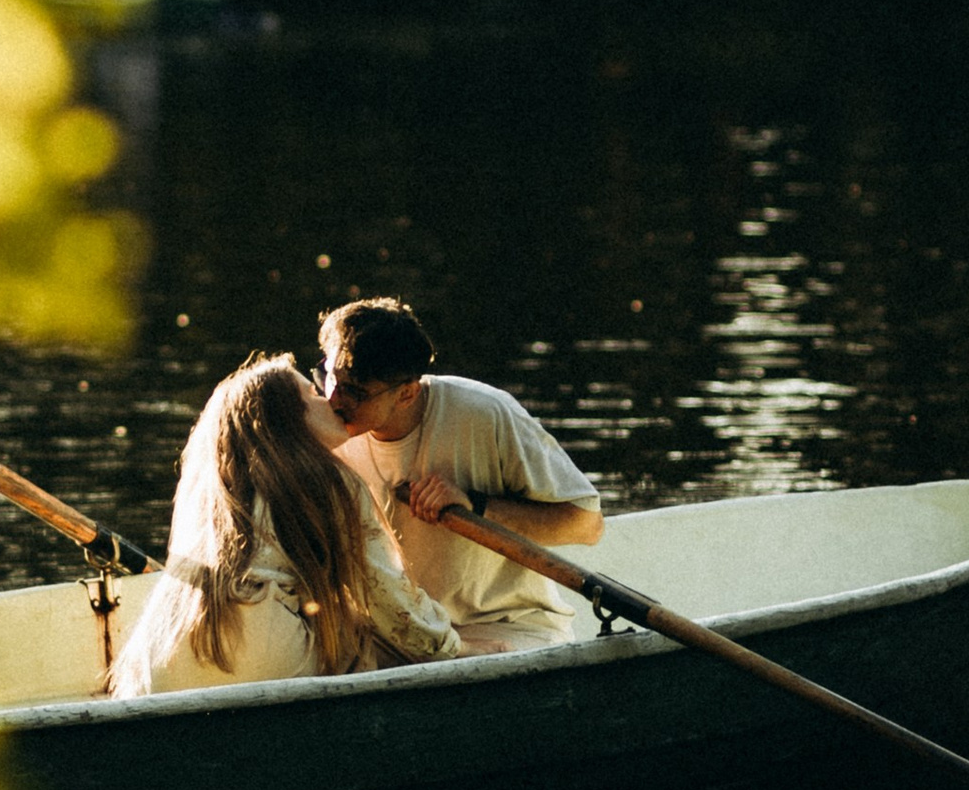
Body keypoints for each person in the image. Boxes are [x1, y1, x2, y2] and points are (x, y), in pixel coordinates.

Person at [108, 350, 459, 695]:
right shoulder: (327, 479)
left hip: (159, 665)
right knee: (363, 643)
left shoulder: (222, 486)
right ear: (287, 416)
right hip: (262, 655)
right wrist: (450, 647)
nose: (332, 400)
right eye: (312, 393)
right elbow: (388, 596)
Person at [317, 296, 604, 656]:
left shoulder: (485, 413)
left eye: (355, 392)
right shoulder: (326, 427)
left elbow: (586, 525)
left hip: (506, 626)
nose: (332, 400)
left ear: (407, 394)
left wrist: (476, 505)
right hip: (396, 630)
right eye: (328, 376)